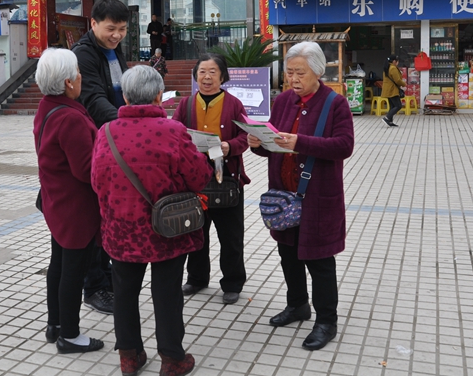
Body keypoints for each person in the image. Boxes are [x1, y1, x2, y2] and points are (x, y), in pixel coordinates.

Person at [91, 65, 212, 376]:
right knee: (167, 293)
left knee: (124, 293)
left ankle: (129, 357)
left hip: (121, 229)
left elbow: (96, 180)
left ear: (126, 96)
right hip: (166, 229)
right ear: (160, 95)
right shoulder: (172, 130)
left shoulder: (105, 131)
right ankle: (172, 359)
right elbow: (198, 177)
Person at [248, 41, 354, 351]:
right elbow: (272, 145)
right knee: (288, 254)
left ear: (318, 72)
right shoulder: (282, 102)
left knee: (319, 260)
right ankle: (297, 306)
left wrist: (301, 142)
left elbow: (344, 146)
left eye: (300, 73)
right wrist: (258, 142)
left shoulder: (335, 104)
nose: (293, 79)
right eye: (289, 72)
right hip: (284, 195)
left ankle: (326, 321)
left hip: (318, 196)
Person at [33, 48, 104, 354]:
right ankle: (70, 335)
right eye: (76, 73)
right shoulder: (70, 117)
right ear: (67, 81)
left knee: (59, 266)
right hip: (75, 207)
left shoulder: (48, 106)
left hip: (56, 201)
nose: (80, 77)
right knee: (72, 270)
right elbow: (85, 170)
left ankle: (56, 324)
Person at [172, 53, 250, 305]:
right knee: (195, 231)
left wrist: (229, 146)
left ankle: (232, 282)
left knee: (231, 235)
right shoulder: (185, 104)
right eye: (202, 71)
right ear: (195, 76)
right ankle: (196, 278)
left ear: (223, 76)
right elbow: (174, 133)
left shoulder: (234, 104)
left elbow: (246, 136)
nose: (206, 77)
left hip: (226, 178)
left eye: (212, 72)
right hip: (194, 180)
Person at [72, 0, 130, 315]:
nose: (116, 35)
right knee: (96, 217)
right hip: (97, 142)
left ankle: (106, 278)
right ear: (93, 23)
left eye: (122, 29)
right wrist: (128, 124)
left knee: (108, 215)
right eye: (111, 28)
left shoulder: (113, 50)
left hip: (114, 139)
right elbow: (93, 99)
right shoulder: (84, 53)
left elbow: (122, 89)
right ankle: (94, 287)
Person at [381, 54, 406, 127]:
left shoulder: (387, 67)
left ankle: (390, 121)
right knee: (398, 105)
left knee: (392, 106)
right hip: (392, 89)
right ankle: (387, 118)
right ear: (394, 61)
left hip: (388, 89)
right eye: (397, 61)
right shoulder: (393, 68)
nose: (398, 63)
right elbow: (397, 80)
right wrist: (404, 84)